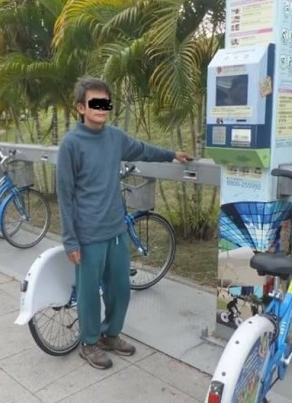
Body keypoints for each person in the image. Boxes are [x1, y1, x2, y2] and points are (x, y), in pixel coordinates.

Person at [56, 77, 191, 370]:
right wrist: (70, 240)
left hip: (116, 230)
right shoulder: (71, 145)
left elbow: (143, 149)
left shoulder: (115, 137)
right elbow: (64, 195)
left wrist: (172, 155)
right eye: (95, 103)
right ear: (81, 107)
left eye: (105, 103)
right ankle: (89, 342)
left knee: (120, 288)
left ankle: (110, 334)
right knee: (89, 293)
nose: (101, 108)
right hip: (88, 235)